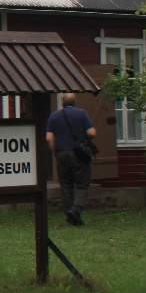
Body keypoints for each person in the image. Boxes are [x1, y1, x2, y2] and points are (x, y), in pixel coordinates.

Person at [46, 92, 97, 226]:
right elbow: (92, 132)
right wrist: (85, 139)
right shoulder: (81, 113)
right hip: (78, 153)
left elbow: (49, 138)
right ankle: (76, 209)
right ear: (74, 102)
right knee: (82, 183)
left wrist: (55, 152)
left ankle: (71, 216)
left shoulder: (54, 116)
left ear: (62, 102)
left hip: (61, 153)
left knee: (66, 185)